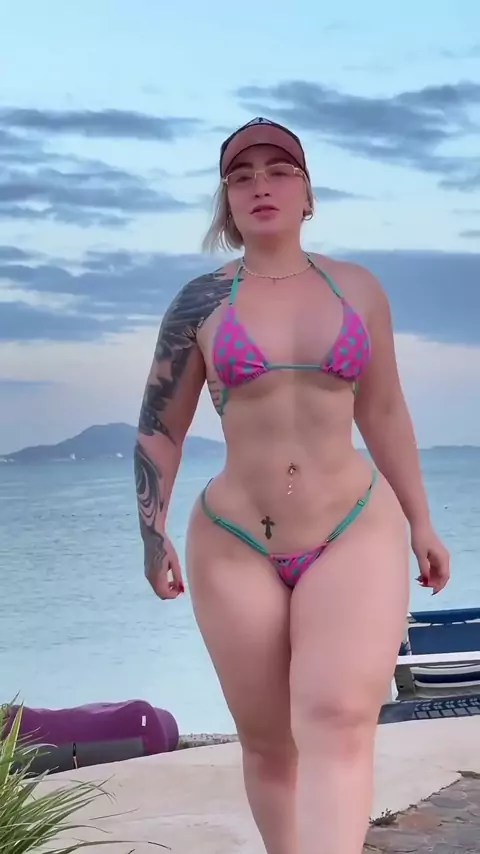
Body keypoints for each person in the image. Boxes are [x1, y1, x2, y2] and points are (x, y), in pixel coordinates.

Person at [134, 117, 450, 854]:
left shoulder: (357, 289)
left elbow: (383, 409)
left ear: (307, 194)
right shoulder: (199, 302)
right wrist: (150, 533)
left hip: (352, 527)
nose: (261, 185)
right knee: (270, 742)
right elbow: (159, 427)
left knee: (338, 719)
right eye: (241, 176)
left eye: (280, 171)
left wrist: (422, 521)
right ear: (226, 202)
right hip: (234, 541)